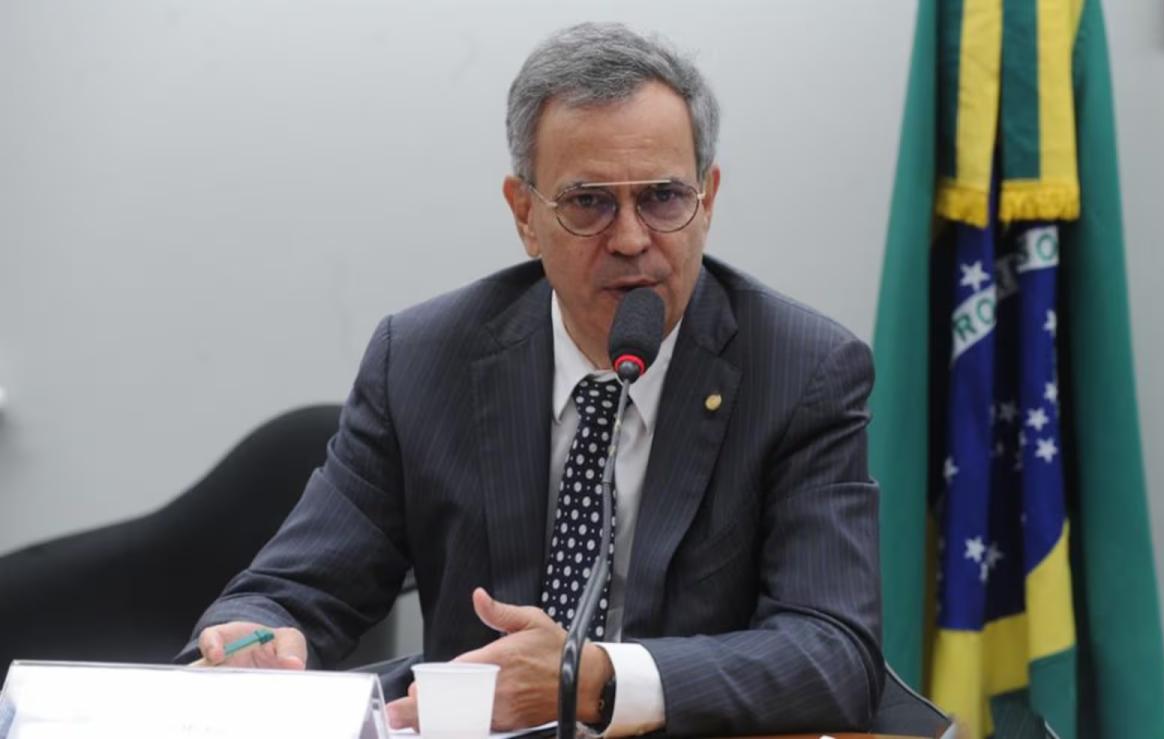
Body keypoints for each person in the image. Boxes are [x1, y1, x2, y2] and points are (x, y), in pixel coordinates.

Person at [185, 22, 883, 736]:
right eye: (589, 203)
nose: (631, 239)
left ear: (707, 199)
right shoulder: (423, 359)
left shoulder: (801, 370)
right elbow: (293, 591)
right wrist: (254, 638)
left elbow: (834, 652)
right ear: (525, 214)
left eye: (663, 197)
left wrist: (593, 678)